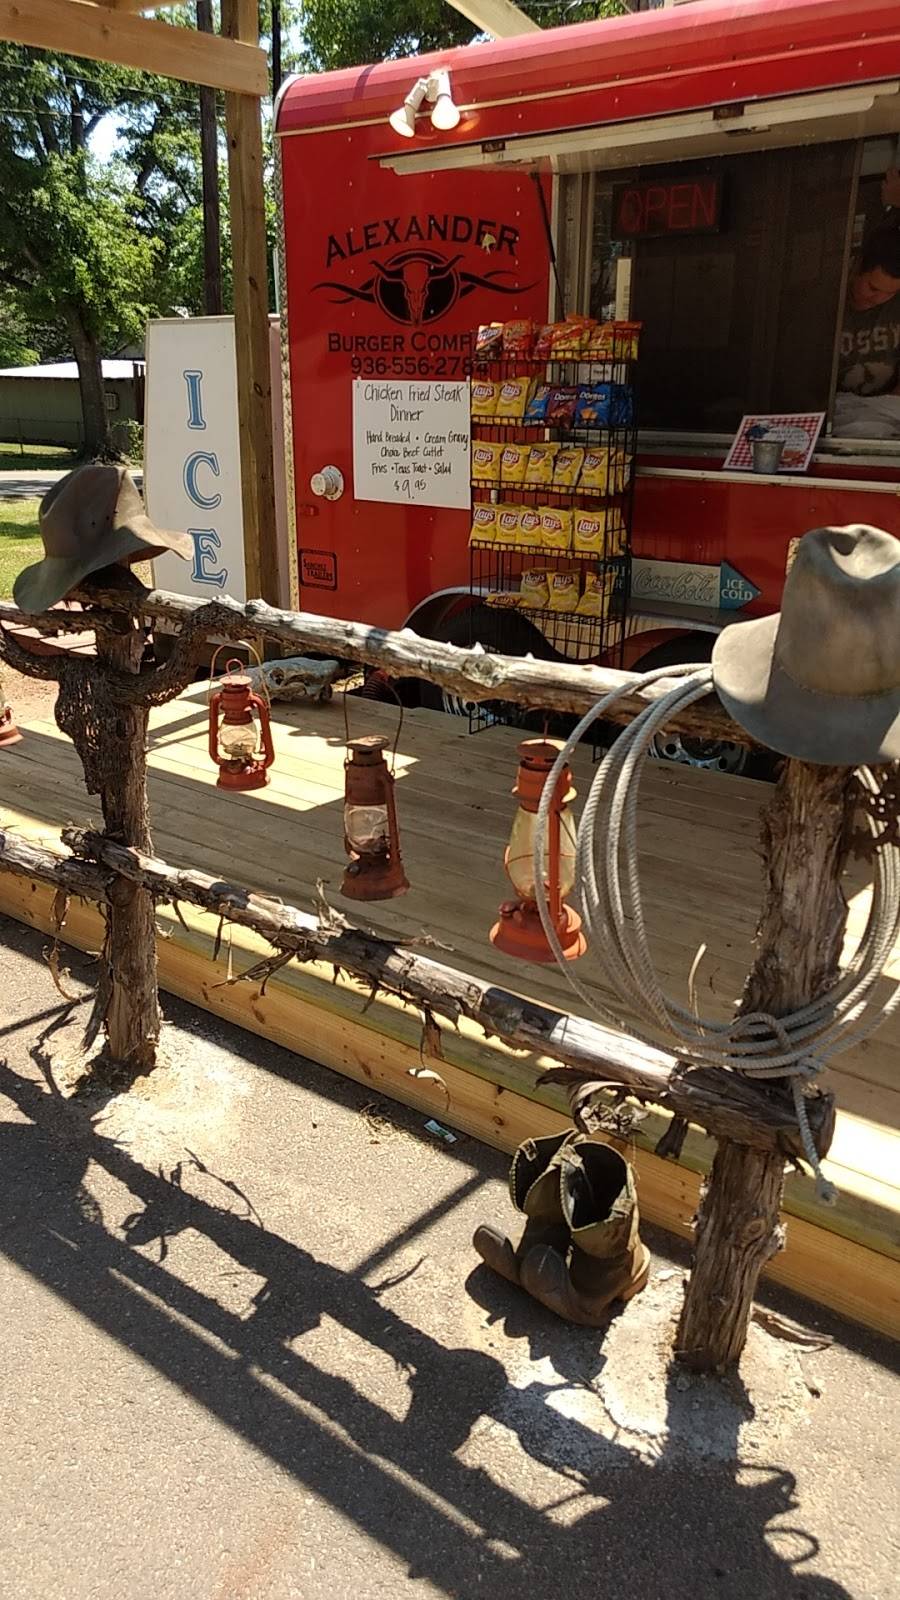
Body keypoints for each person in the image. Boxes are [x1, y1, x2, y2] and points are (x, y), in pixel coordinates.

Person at [837, 224, 900, 397]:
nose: (879, 299)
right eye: (873, 288)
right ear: (856, 267)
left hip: (885, 405)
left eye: (891, 293)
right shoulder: (825, 304)